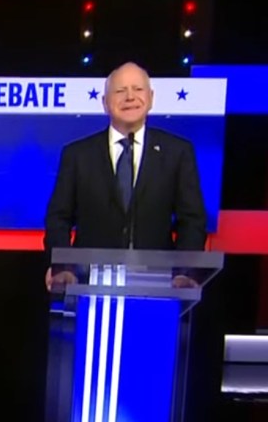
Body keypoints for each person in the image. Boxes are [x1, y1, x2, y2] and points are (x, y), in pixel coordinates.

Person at [43, 62, 207, 291]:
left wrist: (184, 272)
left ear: (150, 98)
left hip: (157, 284)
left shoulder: (178, 152)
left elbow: (192, 220)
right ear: (104, 103)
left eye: (138, 90)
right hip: (89, 283)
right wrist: (63, 267)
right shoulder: (77, 154)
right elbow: (58, 219)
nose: (130, 97)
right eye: (120, 91)